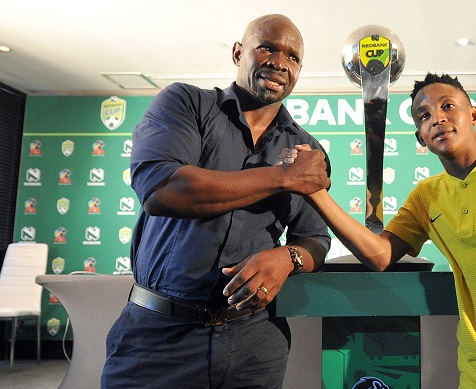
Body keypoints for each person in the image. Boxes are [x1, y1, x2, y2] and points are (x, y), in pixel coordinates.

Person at [293, 73, 476, 388]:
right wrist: (316, 193)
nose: (437, 118)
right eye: (424, 116)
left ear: (474, 115)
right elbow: (381, 255)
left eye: (447, 106)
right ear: (420, 137)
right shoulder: (428, 196)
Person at [101, 14, 331, 389]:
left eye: (292, 57)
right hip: (158, 340)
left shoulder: (306, 148)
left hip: (255, 344)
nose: (278, 62)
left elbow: (315, 240)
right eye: (267, 47)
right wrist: (282, 177)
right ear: (239, 53)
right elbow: (162, 191)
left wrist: (286, 258)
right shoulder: (185, 103)